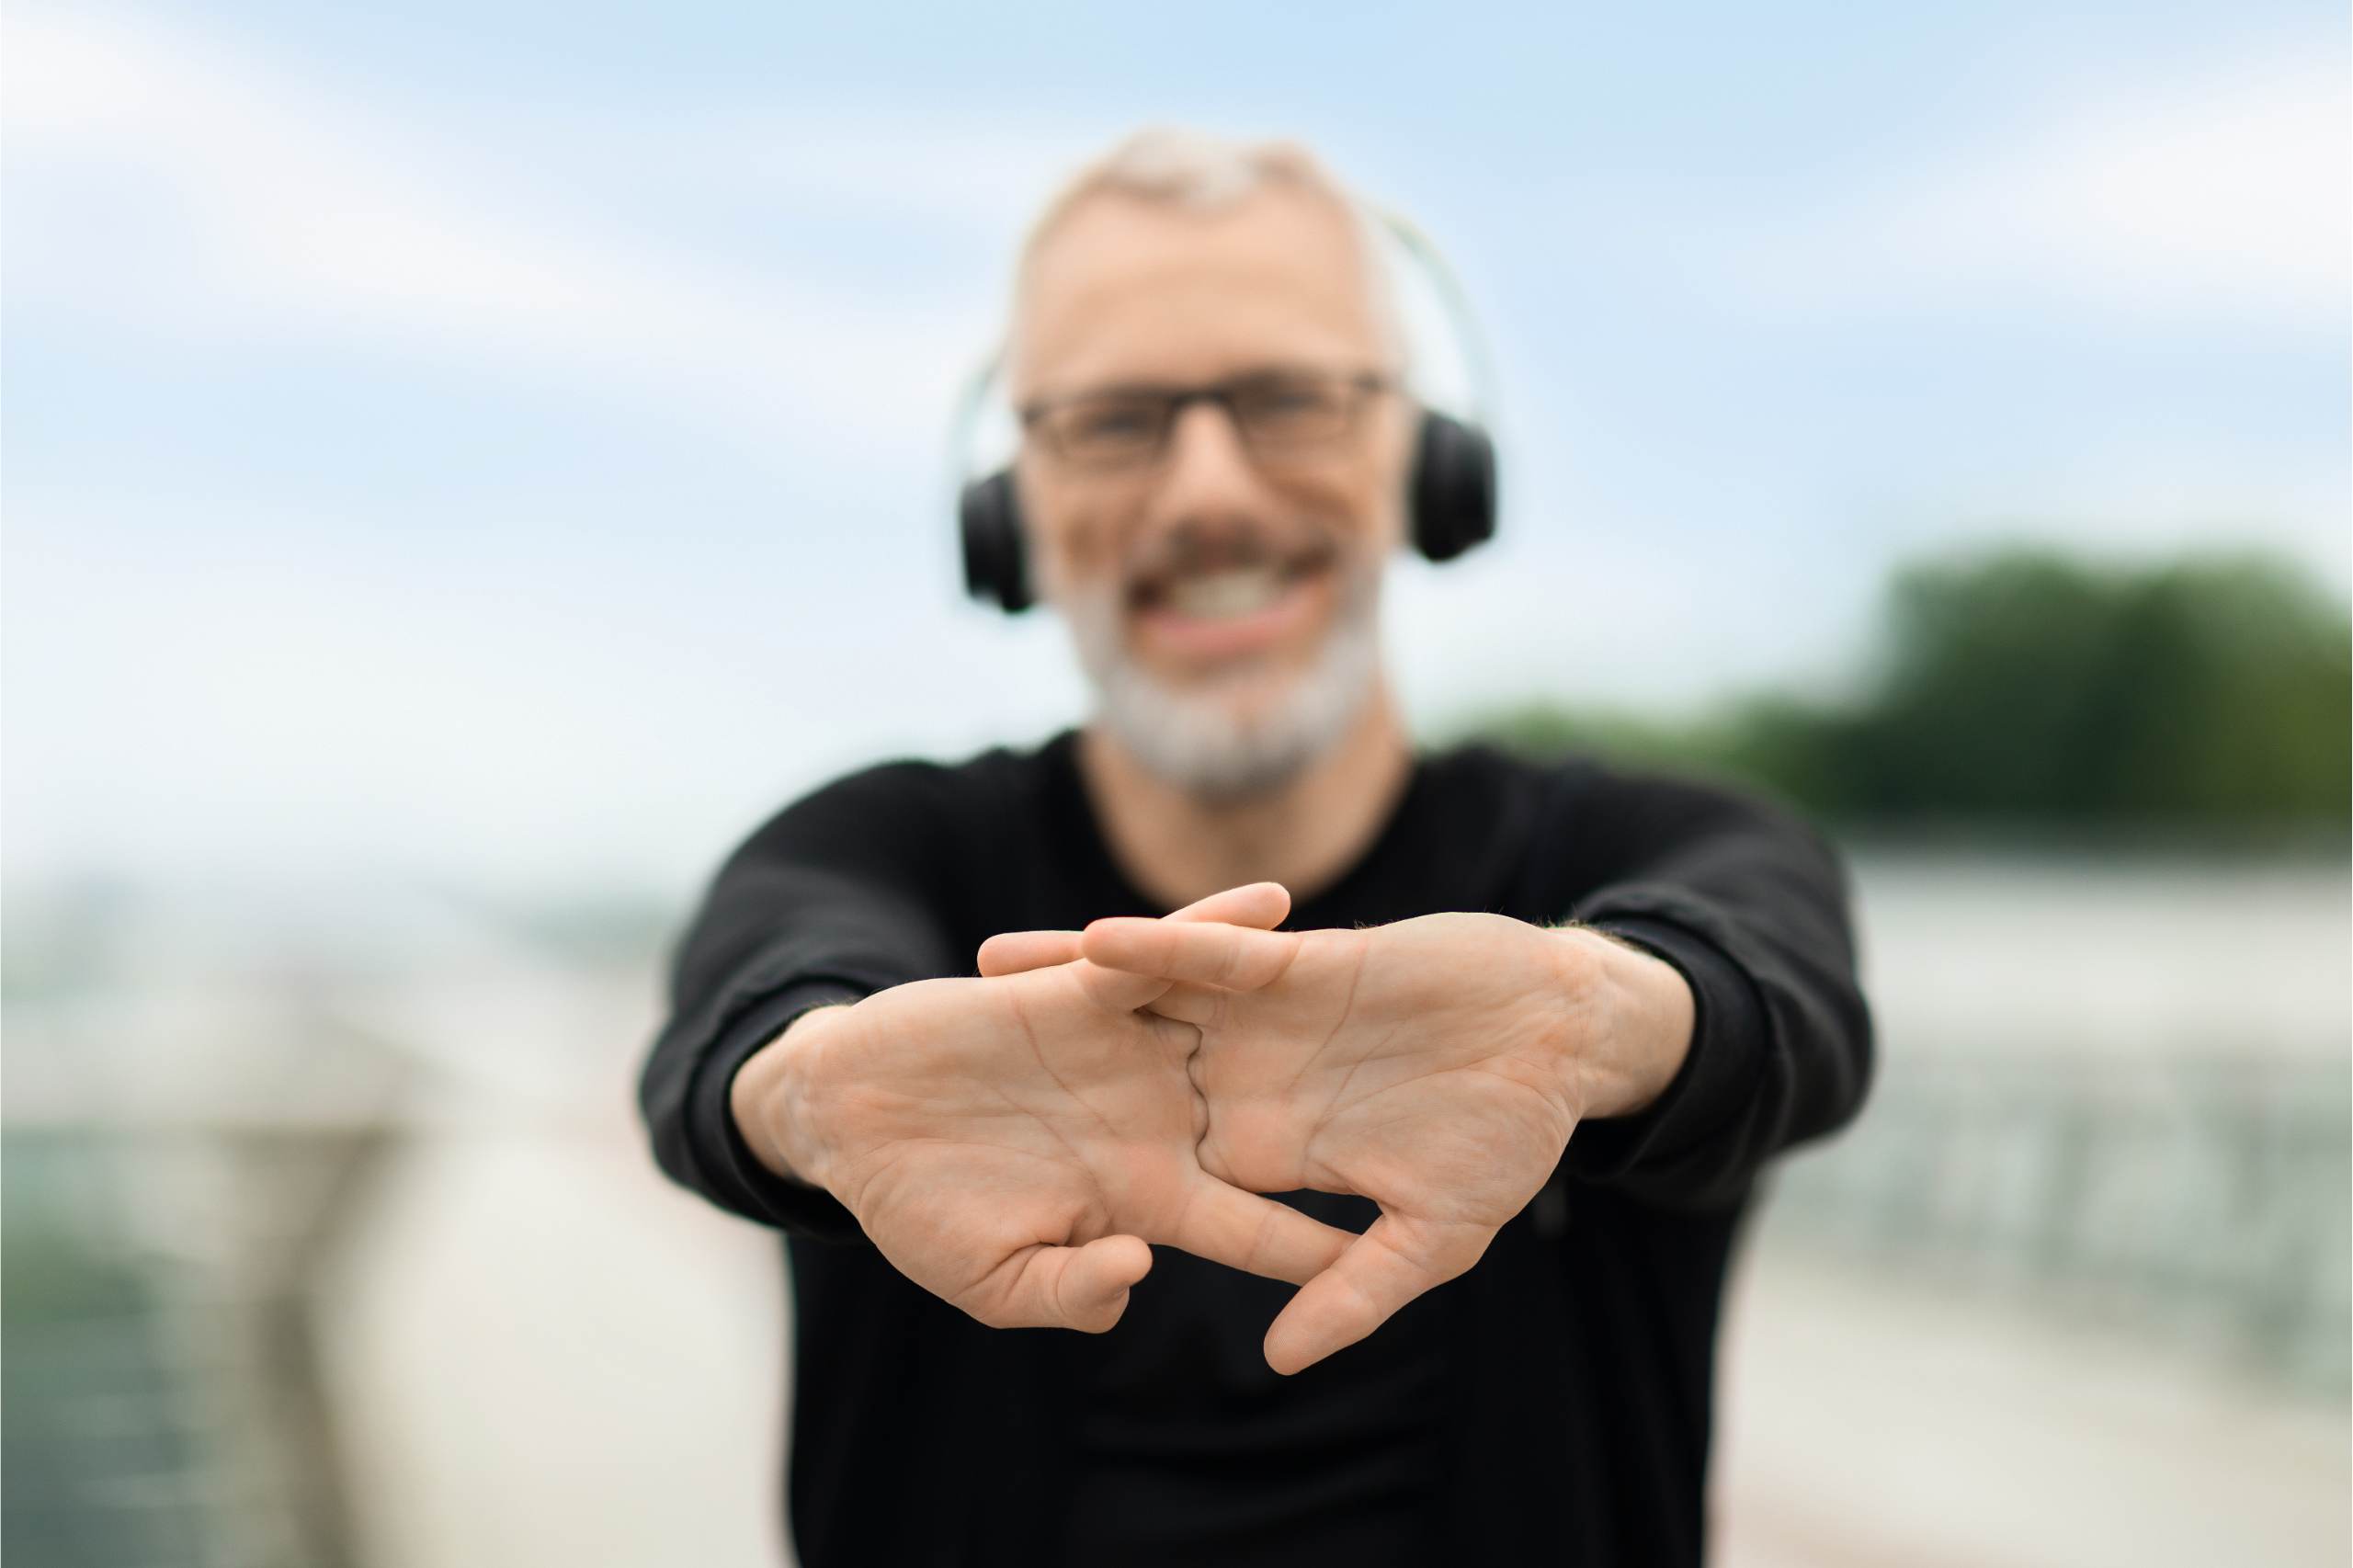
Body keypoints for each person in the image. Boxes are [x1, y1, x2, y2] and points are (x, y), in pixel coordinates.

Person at [638, 128, 1872, 1568]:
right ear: (1009, 513)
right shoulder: (884, 847)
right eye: (1113, 418)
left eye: (1290, 399)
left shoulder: (1640, 843)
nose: (1209, 492)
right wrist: (801, 1095)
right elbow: (759, 1007)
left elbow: (1768, 973)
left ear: (1431, 461)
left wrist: (1600, 1016)